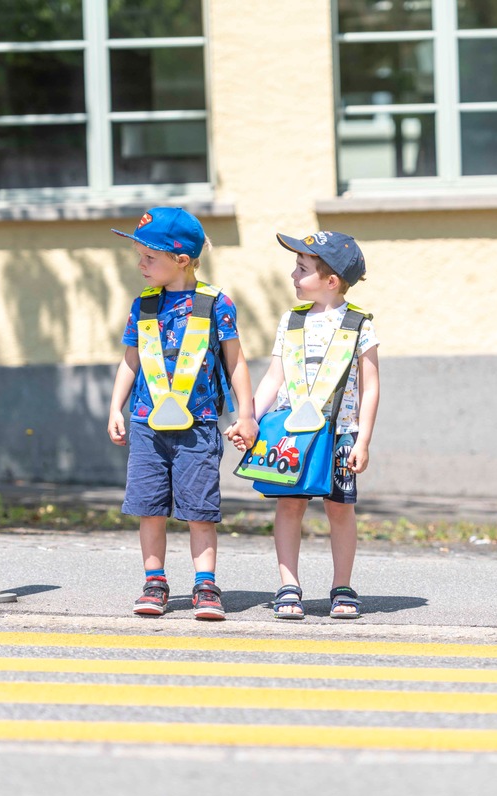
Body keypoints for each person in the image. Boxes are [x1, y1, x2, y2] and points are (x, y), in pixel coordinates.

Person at [107, 207, 257, 620]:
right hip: (146, 424)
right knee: (148, 506)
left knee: (199, 509)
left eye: (149, 257)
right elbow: (130, 361)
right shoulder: (143, 304)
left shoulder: (215, 304)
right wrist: (115, 407)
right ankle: (154, 582)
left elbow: (236, 362)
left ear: (182, 260)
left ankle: (205, 586)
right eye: (139, 255)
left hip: (199, 425)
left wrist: (247, 414)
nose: (140, 264)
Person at [238, 231, 381, 620]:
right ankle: (289, 585)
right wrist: (248, 417)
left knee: (340, 510)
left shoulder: (359, 324)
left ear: (330, 280)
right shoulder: (292, 321)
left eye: (301, 269)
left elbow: (371, 387)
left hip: (340, 433)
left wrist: (362, 440)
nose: (293, 274)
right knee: (288, 505)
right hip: (292, 434)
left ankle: (343, 587)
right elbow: (273, 378)